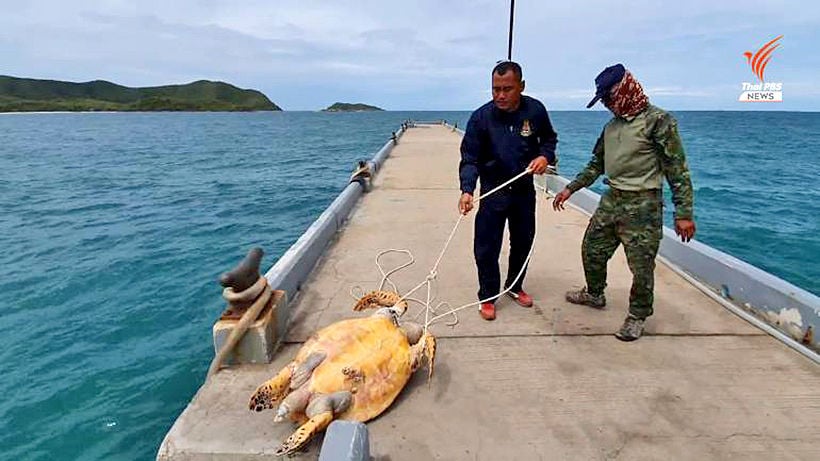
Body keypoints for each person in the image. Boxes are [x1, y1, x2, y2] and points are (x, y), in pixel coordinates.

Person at [552, 63, 696, 341]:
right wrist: (570, 188)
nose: (607, 104)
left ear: (625, 89)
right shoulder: (611, 127)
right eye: (603, 100)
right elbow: (596, 164)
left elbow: (677, 170)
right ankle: (594, 294)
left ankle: (637, 315)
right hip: (612, 198)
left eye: (609, 97)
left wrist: (684, 213)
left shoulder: (659, 121)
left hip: (644, 205)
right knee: (592, 248)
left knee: (641, 265)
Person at [458, 61, 558, 321]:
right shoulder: (480, 118)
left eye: (507, 89)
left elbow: (548, 139)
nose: (500, 95)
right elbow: (470, 158)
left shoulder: (535, 111)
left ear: (521, 87)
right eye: (495, 89)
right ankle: (488, 295)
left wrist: (545, 157)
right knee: (486, 247)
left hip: (524, 191)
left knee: (523, 241)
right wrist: (467, 190)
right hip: (493, 191)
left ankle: (514, 286)